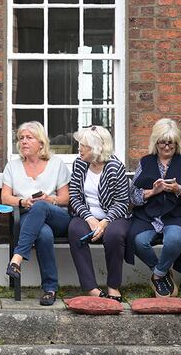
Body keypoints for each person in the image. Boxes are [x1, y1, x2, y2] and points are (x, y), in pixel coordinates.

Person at [128, 118, 181, 298]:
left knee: (175, 239)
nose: (167, 147)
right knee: (138, 241)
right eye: (163, 142)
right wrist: (153, 191)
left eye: (171, 143)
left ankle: (158, 275)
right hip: (148, 216)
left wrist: (178, 189)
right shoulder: (145, 162)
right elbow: (133, 196)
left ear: (177, 143)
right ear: (156, 142)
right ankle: (163, 272)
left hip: (177, 215)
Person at [1, 121, 70, 306]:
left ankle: (16, 258)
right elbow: (5, 197)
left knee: (40, 207)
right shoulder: (13, 166)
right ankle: (50, 289)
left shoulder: (56, 164)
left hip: (56, 215)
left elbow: (65, 198)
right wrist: (22, 201)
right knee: (43, 234)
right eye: (21, 138)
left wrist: (49, 199)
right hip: (27, 215)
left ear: (41, 142)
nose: (23, 141)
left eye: (29, 138)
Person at [66, 126, 131, 302]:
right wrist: (89, 218)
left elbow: (122, 202)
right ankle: (91, 288)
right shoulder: (79, 163)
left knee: (114, 235)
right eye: (80, 144)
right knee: (75, 230)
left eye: (83, 145)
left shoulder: (115, 167)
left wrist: (104, 222)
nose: (79, 148)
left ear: (97, 148)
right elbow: (74, 196)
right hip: (86, 214)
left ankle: (113, 286)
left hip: (114, 216)